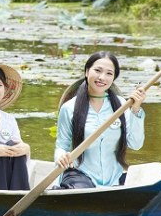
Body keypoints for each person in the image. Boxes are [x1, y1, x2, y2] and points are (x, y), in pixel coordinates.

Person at [54, 51, 146, 188]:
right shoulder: (69, 108)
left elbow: (135, 144)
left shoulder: (121, 105)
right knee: (82, 190)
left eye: (109, 73)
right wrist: (61, 157)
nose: (102, 77)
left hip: (114, 177)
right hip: (80, 175)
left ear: (114, 78)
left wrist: (136, 110)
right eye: (97, 70)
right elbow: (62, 146)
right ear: (87, 72)